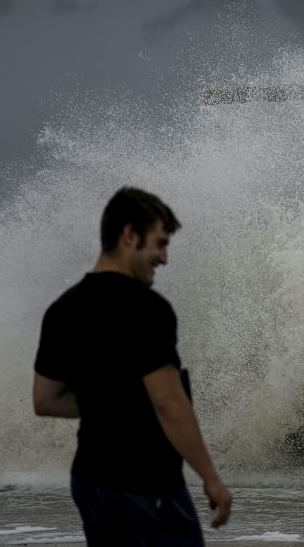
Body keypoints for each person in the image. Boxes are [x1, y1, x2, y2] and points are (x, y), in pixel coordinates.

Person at [32, 186, 232, 546]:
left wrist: (107, 401)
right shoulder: (147, 308)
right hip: (145, 484)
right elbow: (168, 403)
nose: (164, 257)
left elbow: (45, 401)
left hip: (90, 482)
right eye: (160, 243)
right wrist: (211, 478)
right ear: (129, 235)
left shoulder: (63, 309)